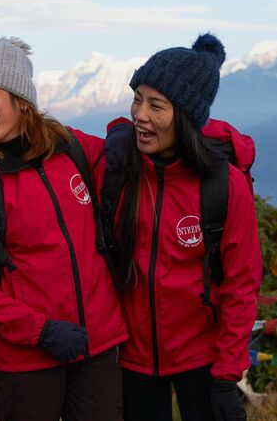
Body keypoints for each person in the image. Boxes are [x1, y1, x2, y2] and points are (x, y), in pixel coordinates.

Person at [0, 37, 127, 421]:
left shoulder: (73, 150)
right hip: (24, 360)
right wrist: (40, 332)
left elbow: (139, 155)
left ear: (20, 98)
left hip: (97, 345)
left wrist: (121, 131)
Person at [101, 34, 262, 421]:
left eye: (156, 105)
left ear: (185, 116)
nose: (139, 114)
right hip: (131, 359)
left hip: (203, 361)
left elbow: (242, 284)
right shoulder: (117, 168)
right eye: (137, 99)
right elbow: (47, 148)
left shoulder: (223, 185)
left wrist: (226, 376)